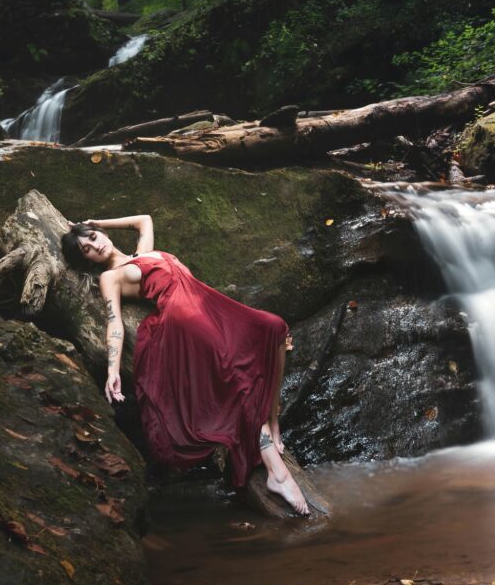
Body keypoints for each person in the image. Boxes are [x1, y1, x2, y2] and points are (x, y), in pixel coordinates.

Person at [60, 213, 310, 516]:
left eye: (93, 238)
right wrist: (113, 370)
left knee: (275, 328)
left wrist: (98, 223)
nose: (94, 246)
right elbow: (114, 324)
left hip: (207, 303)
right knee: (236, 380)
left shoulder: (142, 253)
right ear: (86, 260)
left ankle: (273, 419)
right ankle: (276, 473)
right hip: (184, 317)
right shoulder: (109, 277)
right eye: (86, 248)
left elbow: (145, 220)